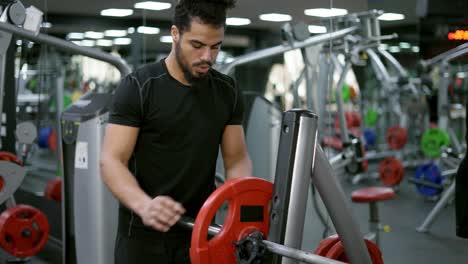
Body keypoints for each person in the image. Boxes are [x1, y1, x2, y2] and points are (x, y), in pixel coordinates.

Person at [99, 0, 253, 263]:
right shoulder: (138, 86)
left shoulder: (227, 91)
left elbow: (236, 159)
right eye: (197, 45)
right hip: (143, 237)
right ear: (175, 34)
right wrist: (144, 205)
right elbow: (112, 160)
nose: (208, 57)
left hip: (201, 232)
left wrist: (240, 211)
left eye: (215, 47)